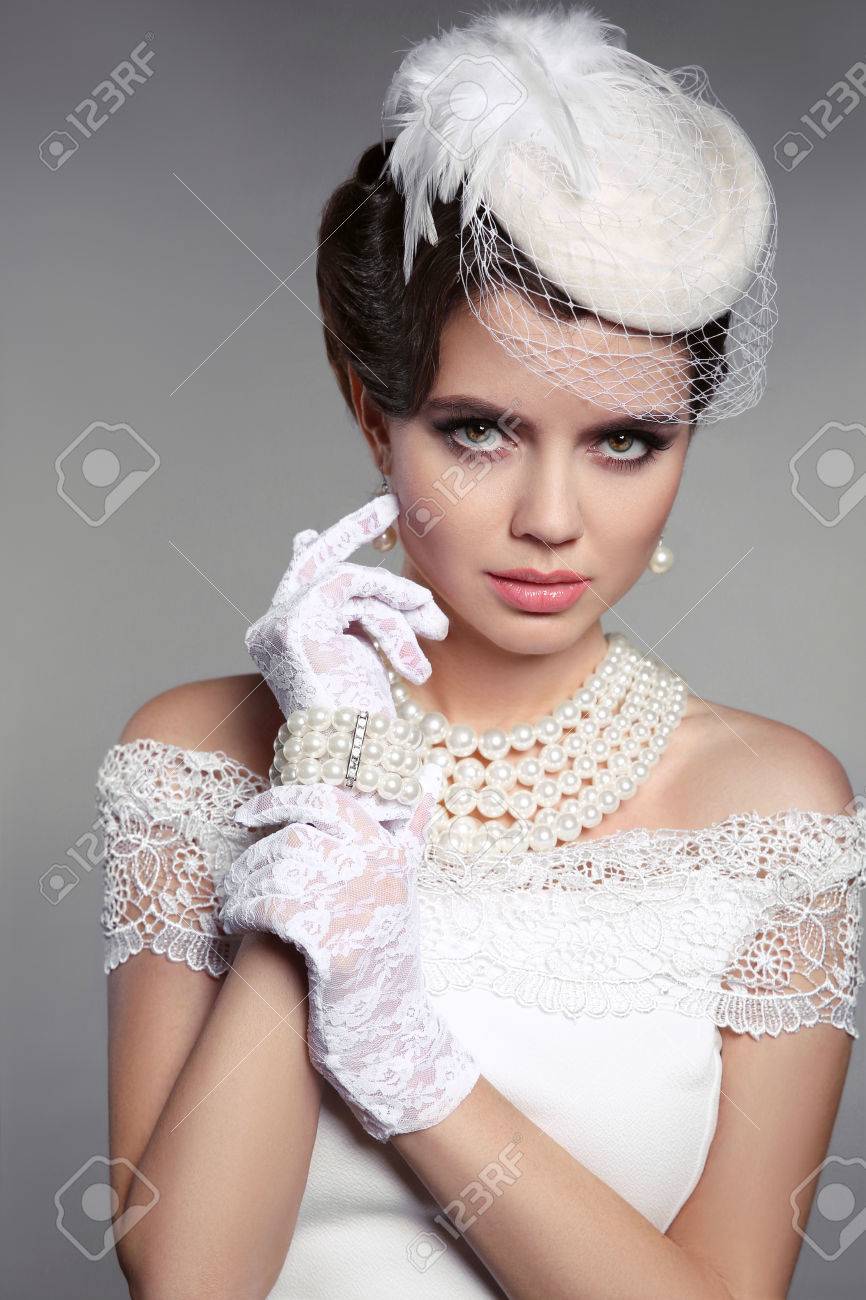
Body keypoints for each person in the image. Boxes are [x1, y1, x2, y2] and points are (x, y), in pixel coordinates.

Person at [95, 6, 866, 1298]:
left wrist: (413, 1068)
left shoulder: (775, 812)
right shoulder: (194, 759)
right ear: (373, 413)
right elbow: (188, 1280)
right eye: (479, 431)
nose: (551, 518)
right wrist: (333, 781)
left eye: (625, 441)